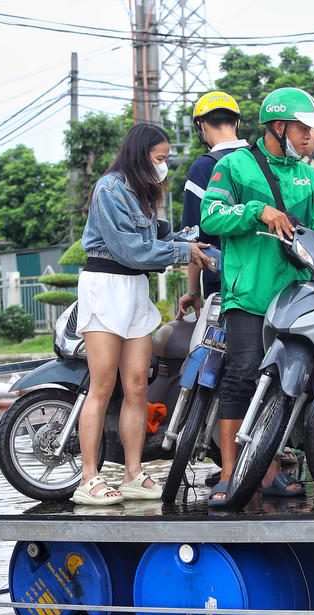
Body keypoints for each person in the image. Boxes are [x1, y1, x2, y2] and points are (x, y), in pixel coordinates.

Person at [198, 87, 314, 507]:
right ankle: (233, 471)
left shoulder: (307, 175)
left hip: (297, 296)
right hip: (250, 295)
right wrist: (258, 211)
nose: (312, 137)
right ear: (279, 126)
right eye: (305, 129)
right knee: (240, 378)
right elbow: (210, 216)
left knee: (287, 383)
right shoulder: (235, 166)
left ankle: (271, 468)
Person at [77, 123, 213, 505]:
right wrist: (184, 252)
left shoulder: (142, 193)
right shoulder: (109, 189)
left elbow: (152, 241)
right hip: (105, 286)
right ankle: (89, 478)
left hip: (135, 289)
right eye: (159, 158)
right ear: (140, 155)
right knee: (102, 387)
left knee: (137, 385)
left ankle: (134, 474)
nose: (163, 166)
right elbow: (132, 251)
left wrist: (187, 241)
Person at [179, 91, 249, 301]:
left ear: (200, 125)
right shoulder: (262, 159)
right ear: (236, 122)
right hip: (271, 279)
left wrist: (193, 291)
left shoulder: (204, 167)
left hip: (225, 285)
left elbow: (193, 238)